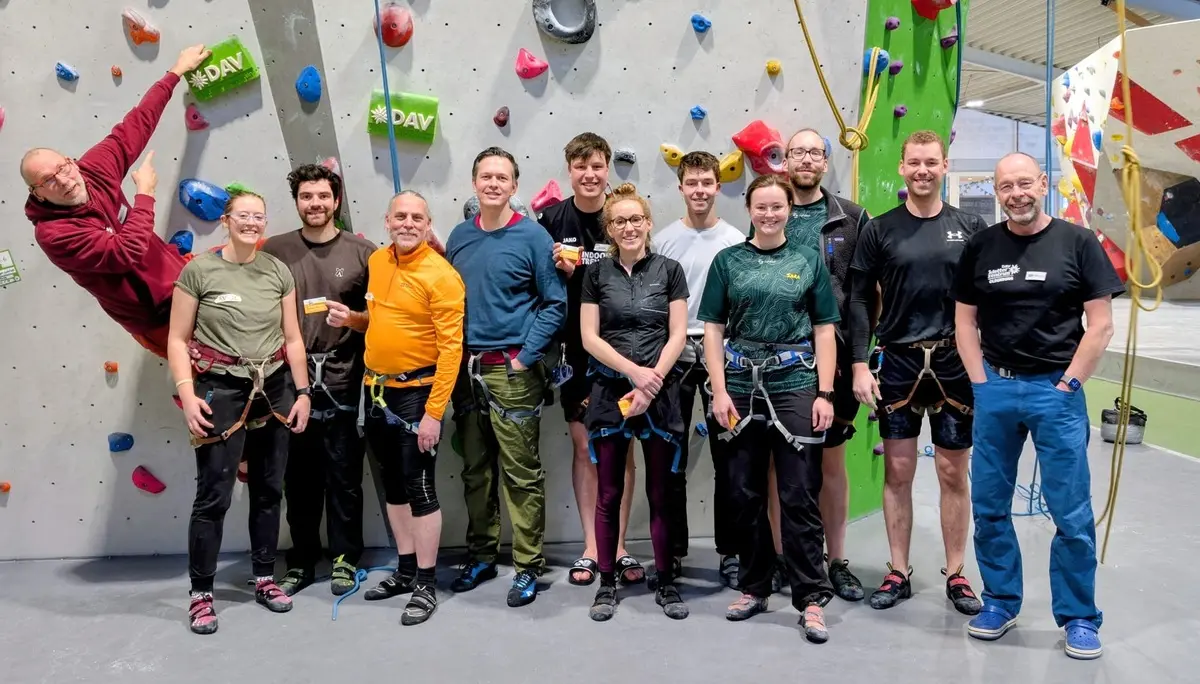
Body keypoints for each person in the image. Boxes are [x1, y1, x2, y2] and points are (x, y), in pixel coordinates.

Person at [954, 152, 1121, 660]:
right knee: (989, 506)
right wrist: (981, 384)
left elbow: (1101, 323)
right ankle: (1000, 601)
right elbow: (965, 321)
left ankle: (1077, 617)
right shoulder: (982, 245)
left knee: (1070, 512)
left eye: (1025, 183)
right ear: (997, 190)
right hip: (997, 392)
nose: (1016, 194)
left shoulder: (1077, 241)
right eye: (1006, 186)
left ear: (1042, 184)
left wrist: (1070, 384)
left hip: (1057, 391)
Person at [848, 130, 986, 615]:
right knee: (898, 470)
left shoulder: (971, 227)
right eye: (914, 163)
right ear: (902, 169)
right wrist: (860, 363)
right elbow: (861, 299)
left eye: (931, 162)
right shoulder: (879, 230)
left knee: (953, 472)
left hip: (954, 361)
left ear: (944, 166)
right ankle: (898, 569)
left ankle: (956, 573)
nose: (923, 170)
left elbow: (985, 298)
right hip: (899, 360)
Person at [699, 174, 839, 644]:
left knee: (799, 493)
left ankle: (811, 597)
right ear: (750, 210)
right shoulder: (728, 262)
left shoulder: (806, 260)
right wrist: (718, 391)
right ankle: (755, 586)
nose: (770, 214)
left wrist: (825, 393)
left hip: (795, 383)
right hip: (738, 385)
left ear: (788, 211)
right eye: (762, 207)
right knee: (743, 490)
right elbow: (714, 330)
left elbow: (823, 328)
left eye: (778, 207)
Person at [166, 190, 311, 635]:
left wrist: (303, 392)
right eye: (243, 215)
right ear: (226, 220)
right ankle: (201, 594)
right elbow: (176, 339)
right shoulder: (199, 271)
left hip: (275, 389)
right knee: (214, 496)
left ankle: (265, 578)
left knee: (269, 489)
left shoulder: (276, 270)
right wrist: (188, 396)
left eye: (259, 216)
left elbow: (292, 339)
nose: (252, 222)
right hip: (220, 390)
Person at [22, 45, 211, 358]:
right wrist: (145, 195)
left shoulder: (89, 170)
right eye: (48, 181)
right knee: (211, 375)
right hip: (156, 317)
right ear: (38, 193)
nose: (64, 180)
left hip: (184, 282)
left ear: (70, 161)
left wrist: (175, 72)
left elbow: (134, 126)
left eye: (62, 168)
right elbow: (125, 253)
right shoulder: (54, 234)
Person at [446, 147, 568, 607]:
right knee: (475, 471)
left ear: (515, 187)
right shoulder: (459, 236)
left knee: (521, 474)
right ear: (474, 183)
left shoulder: (533, 238)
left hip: (512, 372)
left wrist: (525, 356)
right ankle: (480, 554)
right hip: (466, 373)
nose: (493, 184)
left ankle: (527, 567)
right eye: (485, 176)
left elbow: (555, 303)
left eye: (502, 177)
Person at [261, 165, 376, 597]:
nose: (316, 204)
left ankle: (346, 559)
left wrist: (355, 319)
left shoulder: (364, 253)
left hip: (346, 377)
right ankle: (303, 559)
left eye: (323, 196)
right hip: (290, 380)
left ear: (336, 200)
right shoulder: (274, 251)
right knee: (299, 478)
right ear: (296, 202)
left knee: (344, 476)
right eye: (307, 196)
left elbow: (382, 318)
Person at [580, 183, 690, 621]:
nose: (629, 227)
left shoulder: (670, 270)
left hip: (660, 392)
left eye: (635, 219)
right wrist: (633, 374)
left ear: (648, 223)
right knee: (609, 493)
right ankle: (606, 583)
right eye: (619, 221)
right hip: (610, 392)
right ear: (609, 229)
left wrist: (651, 382)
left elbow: (678, 333)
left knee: (661, 493)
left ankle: (664, 581)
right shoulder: (595, 274)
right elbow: (589, 337)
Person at [540, 133, 643, 587]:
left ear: (607, 170)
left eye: (597, 166)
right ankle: (590, 546)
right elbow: (536, 288)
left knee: (622, 448)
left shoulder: (622, 219)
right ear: (570, 170)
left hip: (625, 351)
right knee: (585, 447)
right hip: (574, 355)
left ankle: (618, 546)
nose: (590, 174)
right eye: (581, 167)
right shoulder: (550, 219)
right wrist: (556, 273)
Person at [358, 191, 465, 626]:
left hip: (417, 396)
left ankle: (425, 582)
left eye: (416, 217)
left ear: (427, 224)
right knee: (394, 488)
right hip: (376, 391)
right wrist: (350, 321)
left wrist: (434, 413)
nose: (407, 223)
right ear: (387, 220)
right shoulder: (378, 262)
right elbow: (383, 320)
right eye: (400, 216)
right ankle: (404, 571)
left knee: (420, 490)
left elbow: (451, 350)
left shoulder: (441, 276)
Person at [778, 127, 873, 601]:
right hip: (776, 358)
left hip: (831, 360)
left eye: (816, 152)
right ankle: (782, 559)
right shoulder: (769, 208)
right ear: (785, 160)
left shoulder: (853, 219)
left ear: (825, 161)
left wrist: (859, 360)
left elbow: (862, 298)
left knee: (831, 463)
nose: (808, 159)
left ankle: (835, 561)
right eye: (799, 152)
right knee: (780, 466)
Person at [654, 151, 745, 588]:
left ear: (718, 186)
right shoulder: (664, 240)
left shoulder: (735, 240)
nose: (700, 190)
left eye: (707, 182)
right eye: (692, 183)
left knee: (728, 456)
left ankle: (730, 551)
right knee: (672, 455)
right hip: (674, 354)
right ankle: (670, 550)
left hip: (721, 357)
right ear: (681, 188)